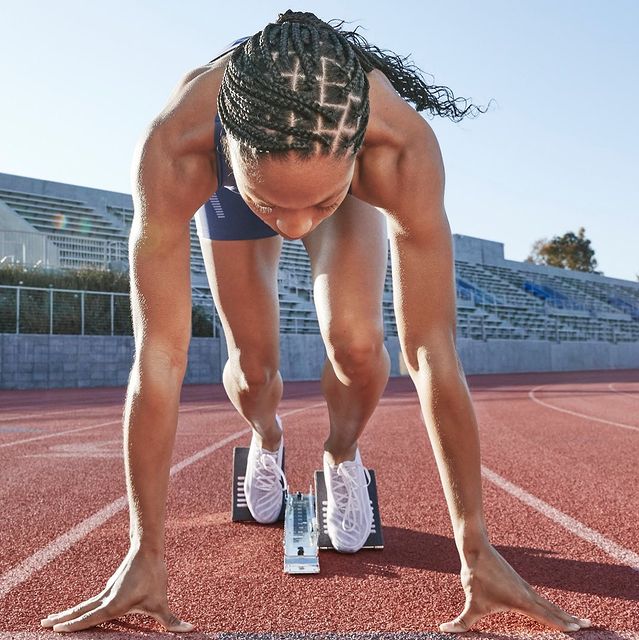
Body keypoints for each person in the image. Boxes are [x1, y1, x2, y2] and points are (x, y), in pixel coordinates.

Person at [40, 10, 591, 635]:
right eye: (276, 205)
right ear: (229, 149)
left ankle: (341, 451)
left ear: (359, 150)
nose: (295, 226)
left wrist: (477, 546)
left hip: (332, 180)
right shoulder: (177, 147)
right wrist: (144, 549)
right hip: (232, 194)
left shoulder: (399, 148)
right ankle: (267, 437)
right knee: (254, 367)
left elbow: (432, 350)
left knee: (358, 343)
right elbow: (159, 358)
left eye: (316, 206)